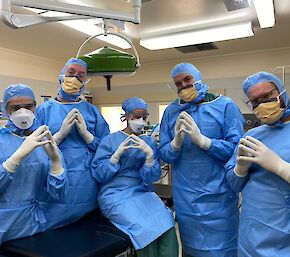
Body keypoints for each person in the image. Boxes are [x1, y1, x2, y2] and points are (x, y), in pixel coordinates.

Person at [159, 63, 245, 257]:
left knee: (223, 249)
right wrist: (175, 144)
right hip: (186, 197)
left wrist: (205, 142)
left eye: (187, 79)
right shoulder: (171, 112)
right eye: (178, 83)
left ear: (198, 78)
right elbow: (164, 154)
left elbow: (236, 151)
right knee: (191, 248)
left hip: (220, 197)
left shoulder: (225, 106)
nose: (183, 86)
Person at [91, 97, 178, 257]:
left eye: (144, 117)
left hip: (141, 192)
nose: (141, 121)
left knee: (167, 220)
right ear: (126, 116)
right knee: (144, 228)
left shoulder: (148, 142)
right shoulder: (110, 140)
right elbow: (99, 174)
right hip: (114, 195)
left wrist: (150, 157)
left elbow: (152, 176)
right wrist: (115, 158)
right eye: (136, 117)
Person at [226, 72, 290, 257]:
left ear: (281, 92)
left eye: (267, 97)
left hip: (289, 234)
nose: (262, 105)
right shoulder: (251, 136)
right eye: (255, 102)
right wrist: (240, 170)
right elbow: (233, 185)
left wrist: (282, 168)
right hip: (250, 235)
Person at [36, 58, 110, 229]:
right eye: (71, 73)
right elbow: (34, 150)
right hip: (54, 181)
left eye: (81, 75)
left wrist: (87, 136)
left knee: (86, 232)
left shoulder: (92, 112)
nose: (75, 78)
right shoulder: (44, 110)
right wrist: (58, 137)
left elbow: (106, 150)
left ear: (85, 81)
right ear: (61, 76)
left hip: (87, 184)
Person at [0, 84, 67, 244]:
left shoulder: (46, 141)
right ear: (6, 110)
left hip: (35, 223)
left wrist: (56, 163)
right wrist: (15, 159)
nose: (22, 112)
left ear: (35, 107)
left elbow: (59, 195)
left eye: (28, 106)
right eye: (15, 107)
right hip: (3, 225)